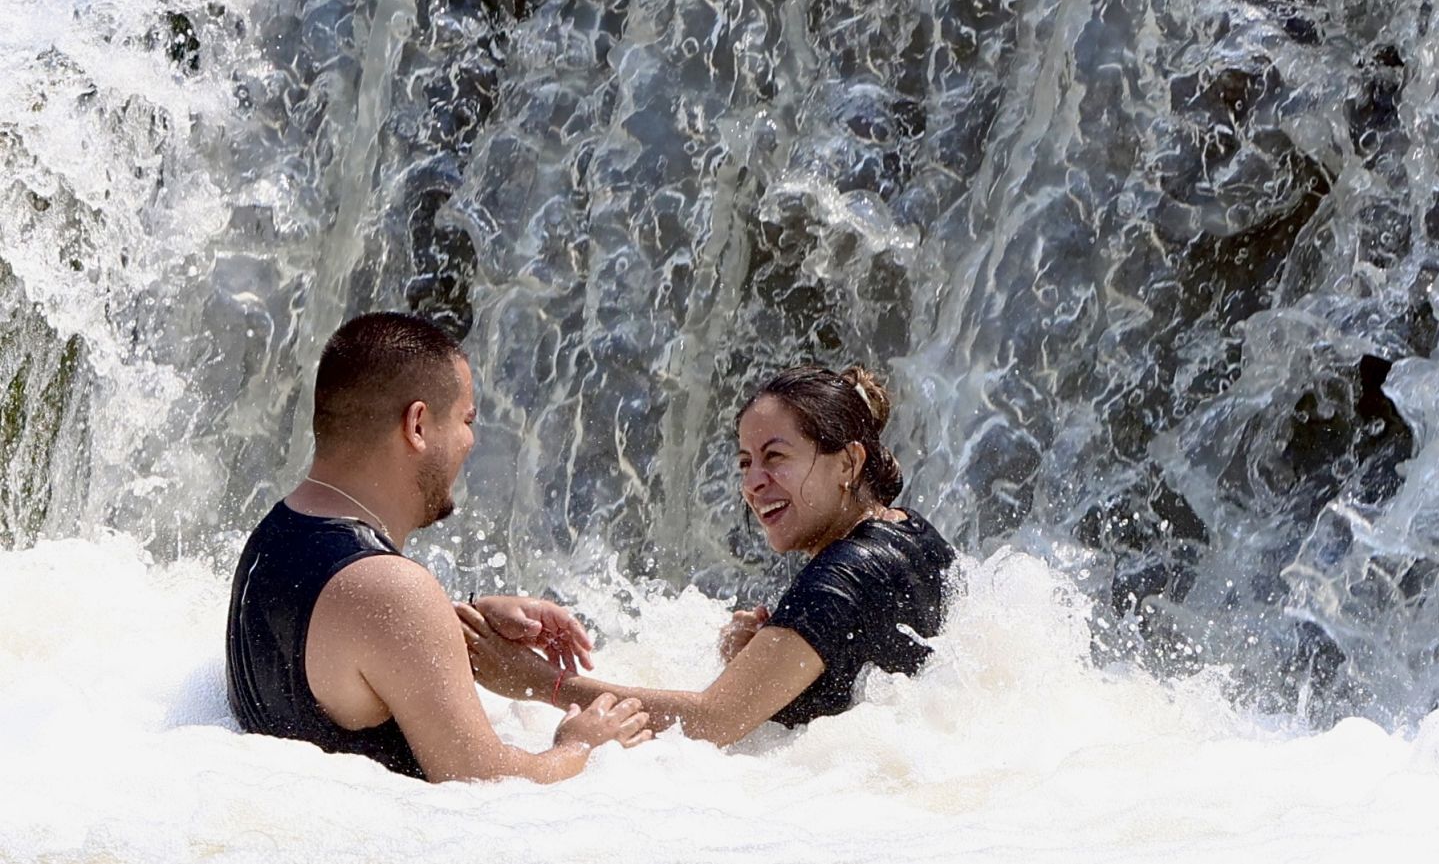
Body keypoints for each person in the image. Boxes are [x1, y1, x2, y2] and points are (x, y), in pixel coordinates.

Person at [225, 311, 652, 780]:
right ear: (418, 425)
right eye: (466, 419)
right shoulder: (393, 592)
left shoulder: (272, 536)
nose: (471, 441)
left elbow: (341, 643)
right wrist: (581, 746)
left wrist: (459, 619)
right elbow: (487, 783)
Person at [462, 364, 957, 745]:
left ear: (848, 461)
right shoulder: (913, 533)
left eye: (775, 457)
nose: (753, 483)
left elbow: (714, 721)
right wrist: (766, 660)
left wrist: (540, 683)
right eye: (745, 462)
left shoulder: (836, 581)